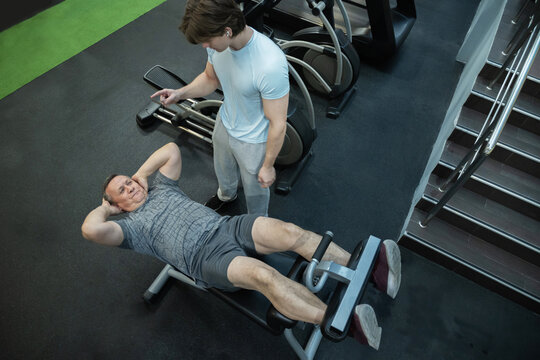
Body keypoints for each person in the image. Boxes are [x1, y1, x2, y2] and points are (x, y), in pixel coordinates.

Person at [81, 143, 402, 350]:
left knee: (290, 232)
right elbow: (90, 229)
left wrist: (141, 174)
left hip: (227, 227)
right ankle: (337, 324)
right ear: (118, 204)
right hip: (207, 258)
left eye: (129, 182)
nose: (131, 187)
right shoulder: (131, 229)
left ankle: (368, 270)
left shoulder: (160, 186)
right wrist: (108, 210)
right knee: (264, 276)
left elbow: (171, 149)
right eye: (123, 190)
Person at [150, 0, 290, 216]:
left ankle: (257, 223)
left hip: (253, 139)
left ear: (227, 31)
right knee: (223, 169)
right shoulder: (219, 47)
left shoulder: (269, 64)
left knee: (256, 191)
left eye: (207, 40)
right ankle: (226, 196)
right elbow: (210, 78)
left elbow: (278, 123)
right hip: (225, 121)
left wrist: (269, 165)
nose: (204, 46)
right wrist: (180, 94)